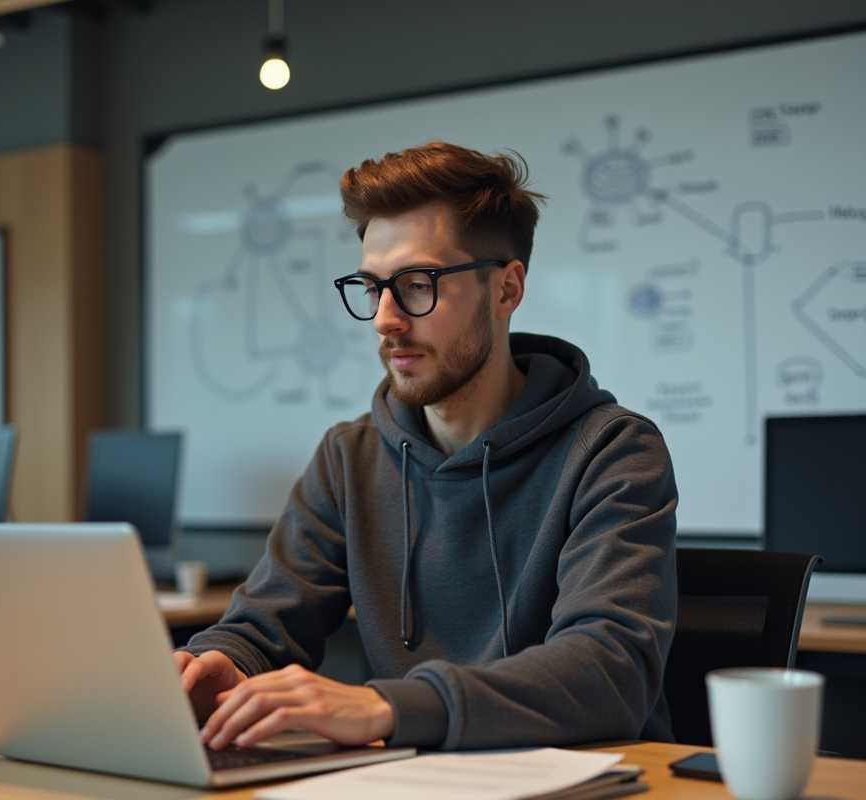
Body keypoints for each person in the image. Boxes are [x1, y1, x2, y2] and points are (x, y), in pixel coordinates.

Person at [174, 142, 678, 752]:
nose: (385, 318)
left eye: (417, 284)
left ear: (506, 289)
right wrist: (218, 662)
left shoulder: (612, 451)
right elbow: (261, 630)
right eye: (372, 289)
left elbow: (610, 675)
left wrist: (387, 705)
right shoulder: (349, 458)